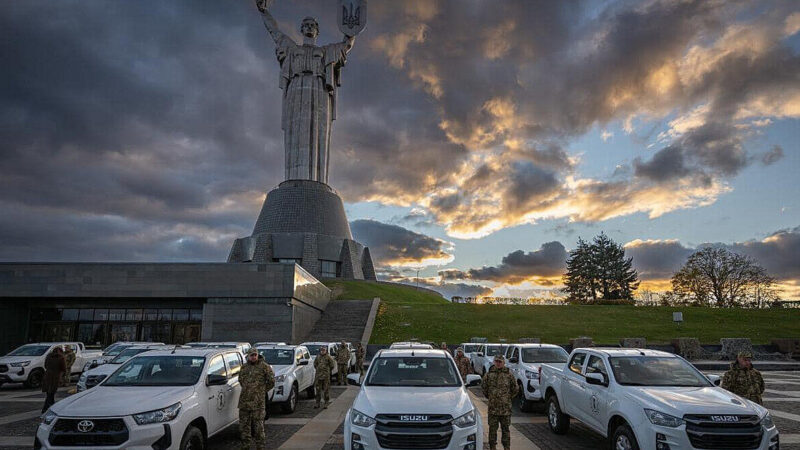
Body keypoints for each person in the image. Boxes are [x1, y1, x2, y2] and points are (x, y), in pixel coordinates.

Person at [238, 348, 275, 450]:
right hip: (244, 402)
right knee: (244, 428)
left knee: (258, 428)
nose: (253, 357)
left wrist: (261, 391)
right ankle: (245, 446)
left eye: (255, 355)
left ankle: (260, 447)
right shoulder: (244, 367)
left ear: (257, 355)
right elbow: (241, 380)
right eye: (251, 355)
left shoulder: (264, 367)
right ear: (248, 356)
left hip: (258, 404)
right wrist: (248, 389)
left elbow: (271, 381)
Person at [481, 354, 518, 450]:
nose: (498, 363)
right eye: (496, 361)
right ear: (494, 362)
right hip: (493, 409)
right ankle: (492, 447)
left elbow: (515, 388)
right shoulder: (489, 375)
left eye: (500, 362)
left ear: (503, 363)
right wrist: (491, 397)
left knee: (506, 430)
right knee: (492, 430)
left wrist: (507, 398)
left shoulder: (509, 375)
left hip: (505, 409)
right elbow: (484, 388)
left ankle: (507, 447)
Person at [42, 346, 66, 413]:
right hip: (55, 377)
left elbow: (45, 365)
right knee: (51, 393)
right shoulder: (61, 358)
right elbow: (64, 368)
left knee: (49, 393)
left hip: (47, 376)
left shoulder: (48, 356)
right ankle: (45, 409)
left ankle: (52, 406)